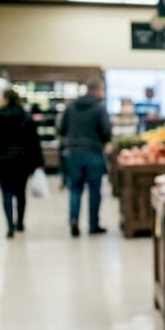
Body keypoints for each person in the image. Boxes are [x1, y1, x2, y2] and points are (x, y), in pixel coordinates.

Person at [57, 78, 112, 236]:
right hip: (94, 152)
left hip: (73, 153)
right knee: (94, 191)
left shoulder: (71, 106)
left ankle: (74, 220)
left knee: (75, 189)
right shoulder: (99, 108)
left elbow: (61, 128)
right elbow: (106, 131)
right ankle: (93, 224)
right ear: (96, 90)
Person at [0, 89, 42, 238]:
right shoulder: (25, 116)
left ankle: (9, 225)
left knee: (6, 192)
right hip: (22, 160)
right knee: (21, 192)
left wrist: (1, 139)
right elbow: (34, 141)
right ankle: (20, 222)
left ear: (4, 99)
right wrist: (38, 161)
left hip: (3, 159)